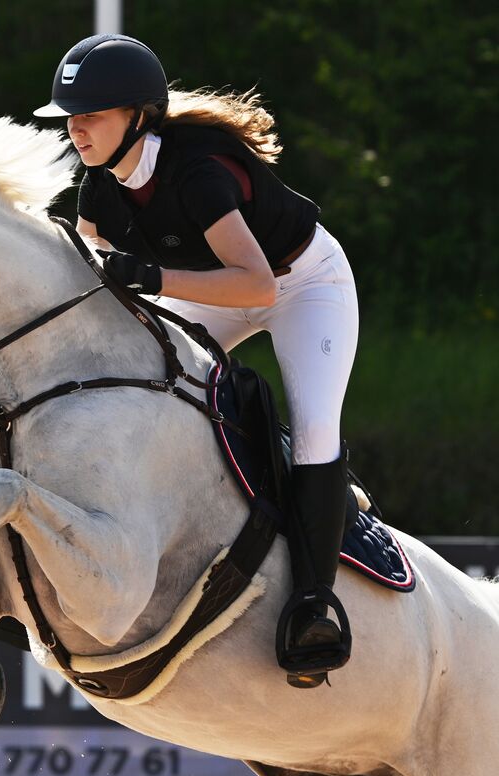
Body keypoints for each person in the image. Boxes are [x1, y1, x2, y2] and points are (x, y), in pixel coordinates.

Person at [33, 34, 358, 689]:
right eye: (71, 115)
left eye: (91, 113)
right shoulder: (99, 190)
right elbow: (94, 293)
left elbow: (258, 286)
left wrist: (149, 276)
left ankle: (315, 605)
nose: (76, 127)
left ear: (140, 117)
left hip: (302, 285)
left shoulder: (199, 172)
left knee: (317, 427)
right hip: (214, 285)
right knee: (148, 381)